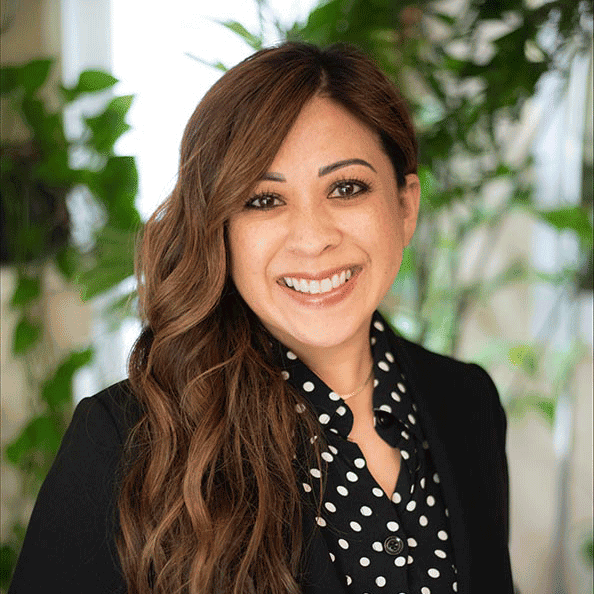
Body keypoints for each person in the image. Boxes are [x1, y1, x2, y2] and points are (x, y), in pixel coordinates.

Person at [9, 42, 514, 594]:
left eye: (346, 188)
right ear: (220, 230)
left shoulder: (468, 403)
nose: (314, 238)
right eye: (264, 200)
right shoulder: (124, 443)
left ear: (405, 205)